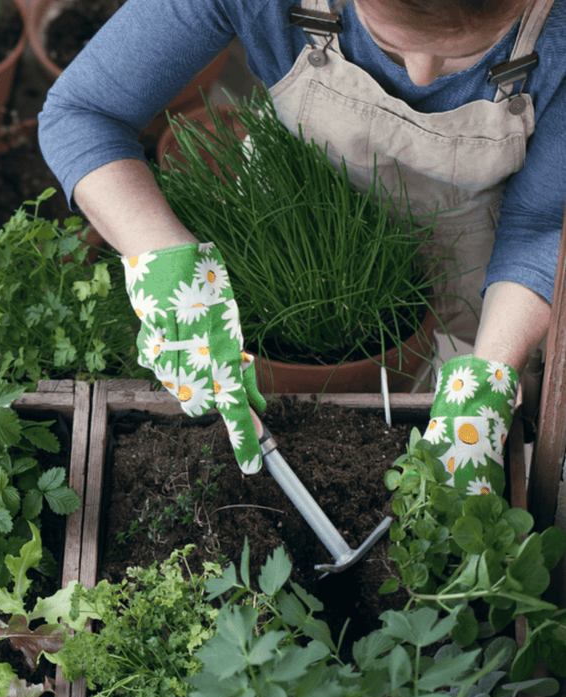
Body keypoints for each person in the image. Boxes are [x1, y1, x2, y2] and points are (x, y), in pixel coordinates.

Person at [39, 0, 564, 496]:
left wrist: (492, 370)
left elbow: (543, 219)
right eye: (388, 38)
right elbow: (84, 111)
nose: (421, 75)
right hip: (294, 229)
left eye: (467, 51)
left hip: (484, 270)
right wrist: (163, 256)